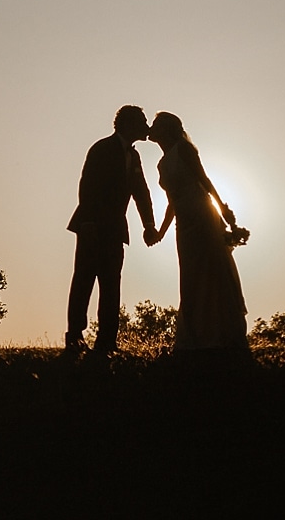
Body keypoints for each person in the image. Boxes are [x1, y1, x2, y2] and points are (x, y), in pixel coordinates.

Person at [146, 111, 249, 350]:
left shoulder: (184, 150)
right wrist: (161, 232)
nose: (152, 127)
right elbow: (173, 200)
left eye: (157, 124)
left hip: (202, 217)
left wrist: (222, 209)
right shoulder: (162, 162)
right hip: (184, 223)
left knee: (212, 271)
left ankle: (223, 332)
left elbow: (204, 180)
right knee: (191, 275)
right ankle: (196, 333)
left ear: (168, 129)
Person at [65, 105, 159, 354]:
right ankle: (74, 336)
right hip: (92, 227)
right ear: (128, 124)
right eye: (143, 122)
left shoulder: (134, 156)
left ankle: (107, 341)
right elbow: (87, 187)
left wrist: (149, 224)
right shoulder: (102, 149)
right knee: (84, 280)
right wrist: (88, 223)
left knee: (111, 285)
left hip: (116, 228)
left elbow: (141, 192)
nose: (147, 127)